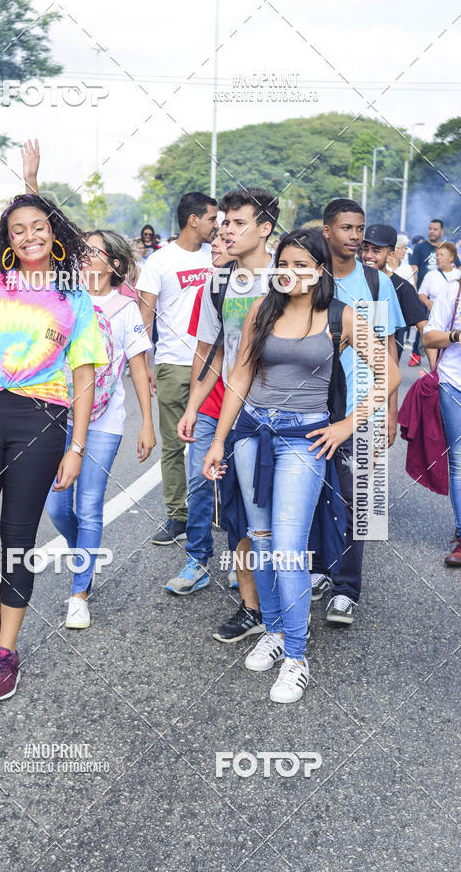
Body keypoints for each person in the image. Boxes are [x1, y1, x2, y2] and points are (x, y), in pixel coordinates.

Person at [202, 227, 401, 703]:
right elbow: (241, 376)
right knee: (263, 540)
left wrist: (347, 425)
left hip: (304, 438)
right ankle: (273, 631)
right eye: (283, 264)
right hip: (252, 433)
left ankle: (296, 656)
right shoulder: (262, 308)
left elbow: (389, 373)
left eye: (300, 265)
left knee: (290, 545)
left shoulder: (341, 316)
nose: (289, 273)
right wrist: (220, 439)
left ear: (319, 270)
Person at [0, 193, 107, 702]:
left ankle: (7, 652)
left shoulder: (74, 297)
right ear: (6, 238)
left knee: (17, 542)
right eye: (18, 229)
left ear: (54, 233)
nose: (30, 236)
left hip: (42, 421)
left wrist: (76, 446)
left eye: (40, 226)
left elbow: (84, 376)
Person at [176, 187, 278, 641]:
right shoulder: (217, 284)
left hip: (287, 414)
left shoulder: (289, 276)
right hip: (235, 415)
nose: (226, 230)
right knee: (236, 515)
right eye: (225, 223)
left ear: (264, 228)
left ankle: (290, 604)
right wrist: (194, 408)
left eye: (238, 223)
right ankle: (252, 607)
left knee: (282, 516)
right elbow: (211, 353)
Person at [45, 229, 156, 628]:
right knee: (57, 505)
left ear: (114, 264)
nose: (86, 256)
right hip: (59, 417)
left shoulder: (126, 310)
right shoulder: (64, 300)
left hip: (106, 420)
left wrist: (147, 423)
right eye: (84, 250)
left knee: (89, 506)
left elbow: (140, 368)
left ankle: (79, 592)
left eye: (95, 251)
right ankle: (84, 555)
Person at [311, 198, 405, 625]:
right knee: (314, 496)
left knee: (358, 502)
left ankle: (346, 588)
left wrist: (390, 411)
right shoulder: (310, 272)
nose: (355, 236)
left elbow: (386, 348)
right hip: (313, 406)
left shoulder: (374, 281)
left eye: (360, 229)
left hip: (360, 407)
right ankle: (315, 570)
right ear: (327, 230)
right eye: (347, 228)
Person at [137, 191, 217, 545]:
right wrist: (144, 362)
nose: (218, 225)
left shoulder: (217, 257)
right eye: (213, 219)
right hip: (172, 363)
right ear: (193, 220)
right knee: (173, 446)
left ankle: (213, 510)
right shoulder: (159, 261)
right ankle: (177, 517)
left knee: (216, 440)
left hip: (214, 365)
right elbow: (144, 318)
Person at [164, 226, 237, 597]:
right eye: (216, 239)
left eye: (226, 240)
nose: (216, 247)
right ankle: (197, 561)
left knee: (240, 489)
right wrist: (191, 406)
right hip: (211, 405)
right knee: (200, 482)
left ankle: (244, 563)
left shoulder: (266, 287)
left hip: (249, 408)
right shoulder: (210, 288)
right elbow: (204, 352)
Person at [423, 280, 461, 566]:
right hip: (453, 384)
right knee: (459, 462)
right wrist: (456, 334)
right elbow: (429, 337)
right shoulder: (452, 290)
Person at [361, 224, 432, 363]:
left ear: (390, 255)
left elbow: (424, 328)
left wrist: (436, 373)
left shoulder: (402, 287)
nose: (368, 256)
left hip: (383, 372)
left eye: (376, 251)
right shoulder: (351, 281)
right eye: (365, 249)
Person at [409, 220, 460, 365]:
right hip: (430, 309)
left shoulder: (457, 275)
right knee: (427, 332)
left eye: (435, 229)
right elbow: (415, 272)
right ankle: (430, 367)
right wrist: (425, 300)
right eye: (430, 228)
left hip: (454, 315)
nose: (438, 257)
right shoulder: (429, 272)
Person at [418, 242, 461, 313]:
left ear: (451, 257)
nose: (438, 257)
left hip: (456, 319)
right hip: (436, 317)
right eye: (437, 255)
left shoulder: (459, 275)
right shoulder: (430, 275)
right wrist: (427, 302)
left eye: (442, 255)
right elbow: (421, 294)